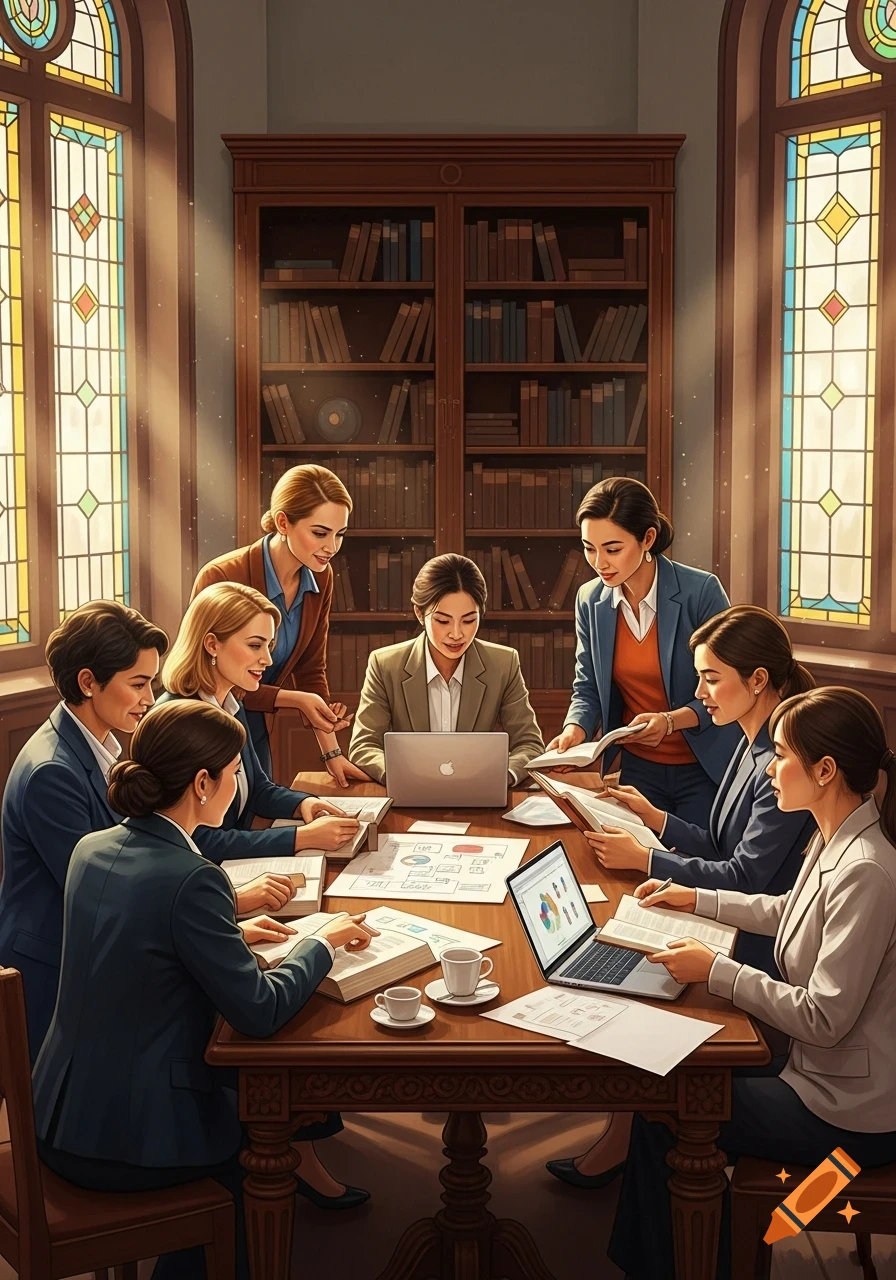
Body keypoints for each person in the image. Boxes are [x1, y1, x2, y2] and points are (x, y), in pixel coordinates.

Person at [32, 700, 377, 1280]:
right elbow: (259, 1011)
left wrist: (230, 932)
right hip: (135, 1136)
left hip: (61, 1113)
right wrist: (322, 944)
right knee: (258, 1157)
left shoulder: (92, 849)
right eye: (236, 770)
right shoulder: (193, 877)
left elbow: (138, 939)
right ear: (201, 783)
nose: (240, 782)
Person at [608, 686, 896, 1280]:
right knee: (669, 1082)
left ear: (824, 770)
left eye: (782, 754)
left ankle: (684, 1267)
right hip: (818, 1070)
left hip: (847, 1113)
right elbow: (787, 908)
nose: (770, 767)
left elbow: (824, 1017)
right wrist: (695, 897)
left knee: (664, 1109)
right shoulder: (836, 830)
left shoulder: (868, 870)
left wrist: (717, 971)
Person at [547, 606, 818, 1190]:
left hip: (755, 942)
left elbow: (744, 875)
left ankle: (626, 1142)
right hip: (736, 918)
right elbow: (721, 843)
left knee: (635, 967)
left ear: (759, 680)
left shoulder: (777, 760)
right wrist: (656, 818)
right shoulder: (751, 742)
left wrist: (645, 858)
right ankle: (622, 1138)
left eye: (711, 678)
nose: (699, 694)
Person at [0, 601, 167, 1060]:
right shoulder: (52, 773)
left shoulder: (100, 748)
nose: (151, 697)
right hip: (53, 967)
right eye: (138, 683)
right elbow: (102, 892)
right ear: (88, 682)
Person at [544, 477, 742, 826]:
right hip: (639, 768)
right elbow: (587, 685)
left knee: (698, 864)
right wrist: (575, 728)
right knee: (638, 865)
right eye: (589, 548)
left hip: (705, 766)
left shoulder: (700, 592)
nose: (599, 562)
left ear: (647, 538)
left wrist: (669, 722)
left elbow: (730, 688)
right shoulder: (590, 600)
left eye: (613, 549)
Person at [192, 463, 369, 787]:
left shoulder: (320, 576)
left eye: (339, 534)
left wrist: (332, 754)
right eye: (319, 533)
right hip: (209, 726)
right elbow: (207, 675)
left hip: (257, 724)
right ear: (283, 522)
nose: (331, 547)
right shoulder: (221, 576)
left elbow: (311, 668)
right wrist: (294, 699)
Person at [158, 581, 361, 862]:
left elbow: (258, 790)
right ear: (212, 644)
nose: (266, 659)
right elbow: (194, 841)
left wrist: (305, 803)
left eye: (269, 645)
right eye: (255, 645)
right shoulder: (178, 721)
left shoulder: (231, 704)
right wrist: (301, 837)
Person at [348, 553, 544, 784]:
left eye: (469, 620)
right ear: (419, 613)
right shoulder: (385, 665)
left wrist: (502, 777)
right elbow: (364, 745)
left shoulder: (503, 663)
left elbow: (529, 744)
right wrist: (400, 775)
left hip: (478, 795)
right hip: (411, 795)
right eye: (442, 621)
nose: (457, 634)